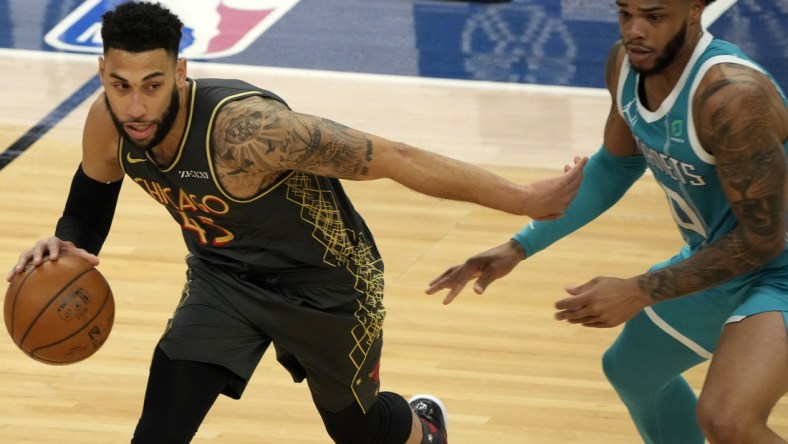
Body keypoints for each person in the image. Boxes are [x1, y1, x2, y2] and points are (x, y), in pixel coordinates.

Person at [5, 2, 586, 443]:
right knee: (159, 429)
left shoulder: (251, 133)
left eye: (152, 86)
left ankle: (424, 426)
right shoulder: (107, 122)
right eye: (120, 85)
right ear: (102, 71)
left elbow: (396, 158)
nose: (135, 106)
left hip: (327, 284)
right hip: (223, 280)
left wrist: (522, 199)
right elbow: (90, 199)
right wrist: (70, 243)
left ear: (181, 72)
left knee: (358, 433)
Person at [427, 0, 788, 442]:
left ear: (694, 10)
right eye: (624, 13)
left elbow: (761, 240)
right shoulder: (626, 64)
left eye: (653, 17)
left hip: (778, 267)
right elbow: (615, 166)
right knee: (633, 370)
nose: (634, 30)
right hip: (721, 259)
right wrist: (520, 245)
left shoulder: (732, 96)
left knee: (728, 420)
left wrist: (637, 290)